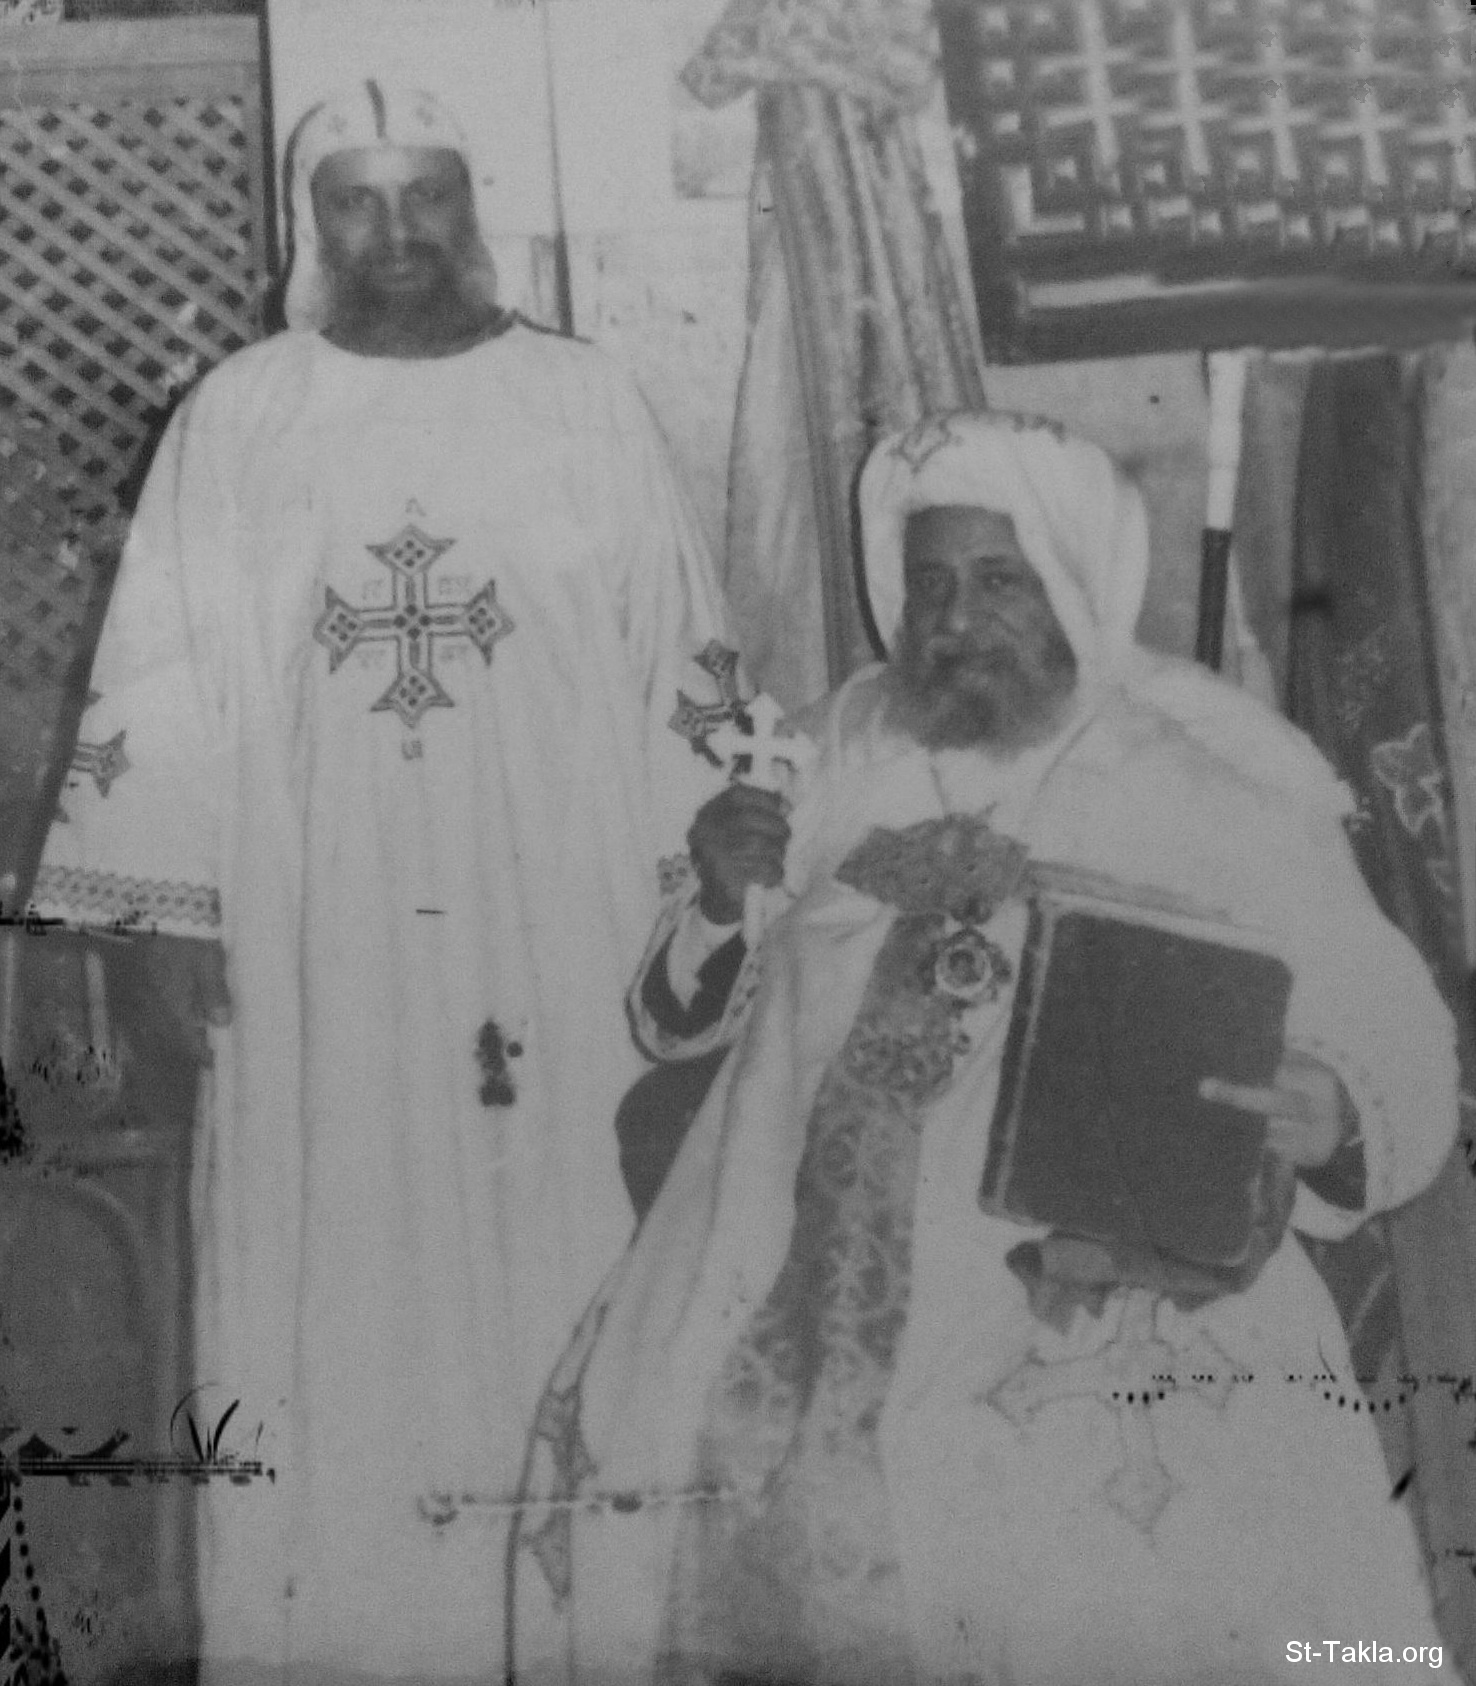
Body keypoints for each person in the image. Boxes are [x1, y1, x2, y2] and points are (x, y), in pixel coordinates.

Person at [507, 411, 1458, 1686]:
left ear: (1070, 578)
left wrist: (1333, 1101)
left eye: (999, 580)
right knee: (674, 1456)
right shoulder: (836, 745)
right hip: (787, 1251)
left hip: (1084, 1271)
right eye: (932, 585)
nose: (957, 619)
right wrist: (722, 903)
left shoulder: (1210, 764)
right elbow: (682, 1014)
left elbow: (1389, 1017)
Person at [31, 81, 740, 1685]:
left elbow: (680, 655)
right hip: (315, 931)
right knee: (328, 1253)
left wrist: (697, 880)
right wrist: (164, 922)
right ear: (314, 222)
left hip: (554, 921)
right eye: (359, 200)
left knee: (563, 1232)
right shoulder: (242, 414)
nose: (398, 233)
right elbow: (161, 676)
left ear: (472, 207)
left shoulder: (586, 402)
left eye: (428, 195)